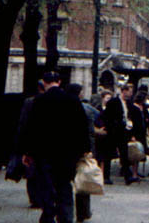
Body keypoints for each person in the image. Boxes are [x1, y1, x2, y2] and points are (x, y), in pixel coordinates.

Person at [19, 71, 90, 223]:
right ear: (59, 82)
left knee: (46, 185)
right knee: (64, 185)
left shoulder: (39, 101)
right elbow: (82, 127)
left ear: (44, 83)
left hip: (44, 153)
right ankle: (65, 217)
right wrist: (85, 150)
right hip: (67, 154)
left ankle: (48, 215)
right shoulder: (72, 100)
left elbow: (31, 128)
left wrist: (27, 152)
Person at [66, 83, 98, 223]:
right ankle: (83, 212)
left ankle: (66, 212)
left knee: (65, 183)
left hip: (65, 151)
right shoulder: (87, 109)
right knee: (83, 181)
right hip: (82, 150)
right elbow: (90, 130)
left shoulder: (63, 107)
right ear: (79, 93)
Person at [16, 80, 46, 209]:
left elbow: (23, 123)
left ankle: (34, 199)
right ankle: (43, 197)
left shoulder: (29, 102)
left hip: (32, 141)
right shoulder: (51, 101)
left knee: (32, 171)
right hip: (46, 142)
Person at [102, 83, 139, 185]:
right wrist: (110, 127)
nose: (131, 94)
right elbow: (107, 116)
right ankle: (106, 176)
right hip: (113, 131)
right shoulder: (113, 102)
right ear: (124, 91)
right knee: (108, 154)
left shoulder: (129, 103)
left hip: (124, 131)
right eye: (130, 91)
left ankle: (128, 176)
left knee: (124, 153)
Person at [130, 91, 149, 177]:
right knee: (134, 152)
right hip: (135, 132)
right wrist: (132, 135)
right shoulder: (134, 108)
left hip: (142, 133)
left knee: (139, 152)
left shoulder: (143, 108)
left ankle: (136, 171)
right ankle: (133, 172)